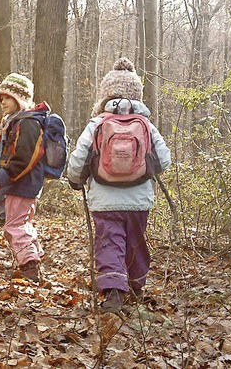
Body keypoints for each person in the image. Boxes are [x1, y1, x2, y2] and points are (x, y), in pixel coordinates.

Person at [66, 58, 171, 314]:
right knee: (135, 242)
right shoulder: (145, 124)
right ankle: (136, 286)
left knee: (109, 242)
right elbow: (165, 160)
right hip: (139, 201)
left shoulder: (98, 123)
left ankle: (114, 292)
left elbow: (79, 157)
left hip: (104, 199)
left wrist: (75, 179)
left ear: (105, 95)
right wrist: (143, 170)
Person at [0, 73, 49, 283]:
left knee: (13, 226)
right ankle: (35, 256)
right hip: (24, 183)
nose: (3, 102)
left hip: (22, 183)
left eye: (7, 98)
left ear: (20, 99)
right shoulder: (16, 122)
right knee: (23, 222)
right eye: (1, 99)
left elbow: (26, 156)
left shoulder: (28, 122)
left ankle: (29, 265)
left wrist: (5, 175)